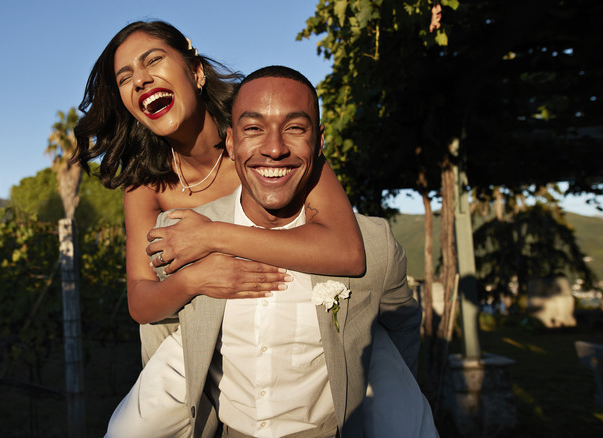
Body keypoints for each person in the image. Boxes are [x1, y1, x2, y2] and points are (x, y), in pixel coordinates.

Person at [107, 66, 438, 438]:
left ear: (319, 140)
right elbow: (161, 340)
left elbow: (400, 335)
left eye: (295, 128)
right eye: (253, 129)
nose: (275, 148)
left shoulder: (373, 244)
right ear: (230, 143)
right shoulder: (181, 237)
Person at [71, 21, 365, 364]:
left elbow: (346, 251)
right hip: (192, 356)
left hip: (292, 341)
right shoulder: (144, 184)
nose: (140, 80)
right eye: (125, 78)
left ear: (196, 72)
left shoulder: (268, 145)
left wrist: (211, 236)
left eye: (152, 61)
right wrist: (193, 280)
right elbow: (140, 302)